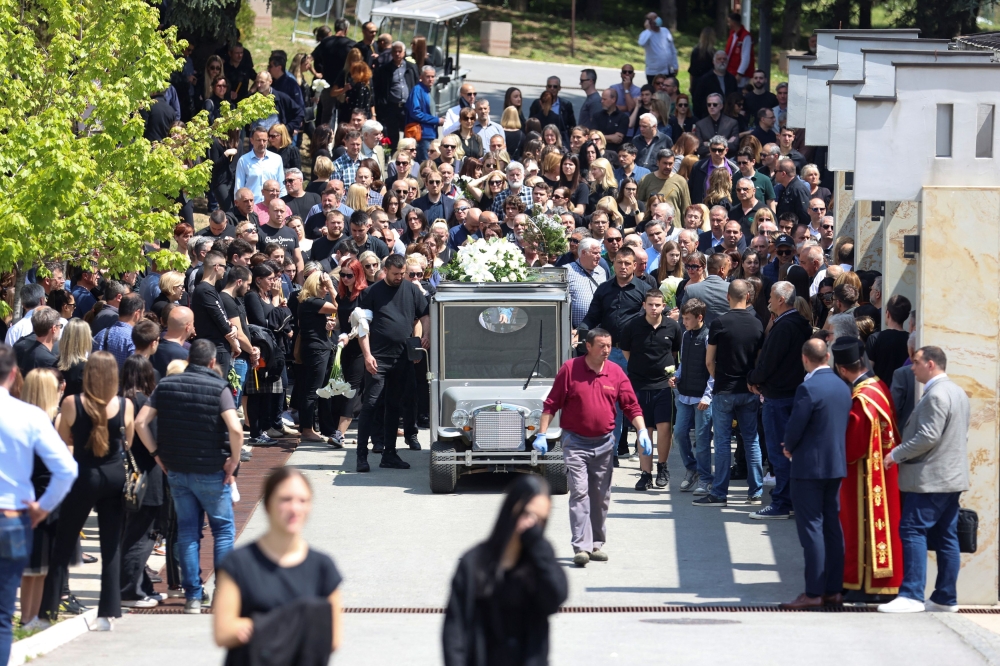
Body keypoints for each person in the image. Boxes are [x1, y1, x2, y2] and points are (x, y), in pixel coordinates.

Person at [134, 339, 244, 614]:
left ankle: (193, 596)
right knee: (223, 531)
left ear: (189, 359)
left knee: (187, 533)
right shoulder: (218, 387)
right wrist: (234, 460)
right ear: (212, 362)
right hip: (212, 470)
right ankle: (223, 593)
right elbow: (235, 429)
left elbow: (140, 422)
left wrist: (156, 454)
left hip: (177, 469)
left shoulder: (166, 385)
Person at [537, 328, 649, 567]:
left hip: (604, 443)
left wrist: (642, 431)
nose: (606, 350)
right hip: (575, 442)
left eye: (609, 345)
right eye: (601, 346)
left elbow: (631, 406)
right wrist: (542, 434)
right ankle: (581, 546)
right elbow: (552, 403)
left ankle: (596, 544)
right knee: (579, 492)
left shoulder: (616, 372)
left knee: (600, 496)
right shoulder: (570, 369)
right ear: (588, 346)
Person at [215, 468, 342, 664]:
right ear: (267, 504)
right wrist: (303, 619)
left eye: (303, 501)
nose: (294, 509)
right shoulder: (238, 564)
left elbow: (333, 639)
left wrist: (256, 625)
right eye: (285, 499)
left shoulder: (323, 567)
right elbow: (223, 632)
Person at [43, 352, 132, 630]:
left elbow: (62, 440)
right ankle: (108, 613)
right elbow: (127, 442)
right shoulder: (125, 404)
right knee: (111, 547)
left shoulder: (72, 403)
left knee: (63, 544)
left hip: (84, 475)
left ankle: (47, 612)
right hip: (115, 476)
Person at [878, 346, 970, 614]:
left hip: (931, 479)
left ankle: (912, 594)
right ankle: (945, 597)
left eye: (916, 362)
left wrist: (896, 454)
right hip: (951, 477)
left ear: (930, 364)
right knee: (946, 536)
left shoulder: (937, 395)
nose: (912, 367)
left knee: (912, 530)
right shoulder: (957, 392)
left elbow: (928, 437)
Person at [0, 348, 77, 659]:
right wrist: (44, 506)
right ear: (14, 374)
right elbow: (67, 469)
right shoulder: (29, 416)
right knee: (3, 614)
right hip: (12, 515)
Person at [443, 475, 567, 665]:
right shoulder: (474, 562)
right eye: (527, 514)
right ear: (511, 509)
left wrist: (539, 547)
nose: (532, 525)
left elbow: (556, 596)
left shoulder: (539, 563)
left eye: (541, 520)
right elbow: (454, 629)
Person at [778, 338, 852, 610]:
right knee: (832, 528)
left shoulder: (808, 388)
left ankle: (813, 592)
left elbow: (796, 425)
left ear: (805, 358)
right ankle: (833, 590)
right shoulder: (843, 386)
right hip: (835, 466)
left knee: (812, 529)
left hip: (809, 467)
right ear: (828, 357)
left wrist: (788, 446)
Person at [831, 336, 904, 599]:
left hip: (865, 476)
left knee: (859, 525)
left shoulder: (862, 399)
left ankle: (863, 584)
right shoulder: (879, 385)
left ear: (842, 369)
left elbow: (852, 448)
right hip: (884, 470)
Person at [355, 254, 430, 472]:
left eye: (402, 273)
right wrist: (367, 355)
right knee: (371, 404)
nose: (399, 277)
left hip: (402, 358)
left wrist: (425, 335)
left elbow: (425, 314)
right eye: (396, 274)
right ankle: (361, 456)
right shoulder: (371, 293)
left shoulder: (412, 290)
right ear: (385, 270)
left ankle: (390, 454)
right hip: (378, 358)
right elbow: (362, 327)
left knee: (394, 405)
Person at [693, 280, 764, 508]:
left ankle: (719, 493)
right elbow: (759, 360)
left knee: (722, 441)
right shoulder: (757, 323)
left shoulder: (719, 323)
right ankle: (756, 491)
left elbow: (709, 360)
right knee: (751, 439)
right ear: (748, 297)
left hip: (725, 389)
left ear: (728, 297)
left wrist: (719, 378)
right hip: (749, 389)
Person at [746, 281, 813, 520]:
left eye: (772, 297)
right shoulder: (798, 324)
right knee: (787, 450)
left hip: (779, 397)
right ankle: (790, 498)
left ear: (781, 300)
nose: (768, 301)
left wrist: (753, 378)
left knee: (779, 451)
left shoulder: (785, 326)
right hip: (790, 393)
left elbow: (769, 361)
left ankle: (782, 503)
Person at [622, 290, 682, 490]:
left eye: (657, 305)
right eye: (650, 304)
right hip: (639, 385)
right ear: (644, 305)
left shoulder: (672, 326)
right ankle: (645, 474)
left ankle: (662, 467)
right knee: (643, 430)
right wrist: (638, 367)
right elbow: (626, 350)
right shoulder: (633, 326)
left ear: (664, 306)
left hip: (663, 385)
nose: (654, 308)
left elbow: (675, 351)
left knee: (664, 428)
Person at [296, 272, 337, 443]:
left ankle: (327, 427)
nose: (326, 290)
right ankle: (307, 429)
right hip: (316, 350)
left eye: (327, 287)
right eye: (324, 286)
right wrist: (333, 288)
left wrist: (325, 324)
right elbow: (338, 307)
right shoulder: (311, 301)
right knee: (312, 390)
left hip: (320, 348)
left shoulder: (310, 303)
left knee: (324, 391)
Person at [866, 295, 912, 384]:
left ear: (888, 313)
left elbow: (868, 372)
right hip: (903, 390)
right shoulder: (911, 340)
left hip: (880, 390)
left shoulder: (874, 338)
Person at [235, 126, 286, 203]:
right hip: (251, 206)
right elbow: (239, 187)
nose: (262, 143)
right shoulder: (243, 160)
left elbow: (282, 186)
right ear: (251, 140)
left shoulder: (277, 159)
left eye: (264, 140)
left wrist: (282, 204)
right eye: (258, 140)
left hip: (272, 206)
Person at [406, 66, 446, 162]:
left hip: (430, 134)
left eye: (433, 76)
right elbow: (415, 112)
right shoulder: (417, 90)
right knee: (425, 163)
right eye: (428, 76)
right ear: (421, 77)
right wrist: (437, 120)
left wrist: (438, 118)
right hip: (422, 135)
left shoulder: (428, 90)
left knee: (430, 162)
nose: (431, 79)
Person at [681, 252, 730, 325]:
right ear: (722, 269)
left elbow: (682, 320)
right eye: (728, 268)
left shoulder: (690, 289)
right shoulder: (732, 289)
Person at [692, 51, 738, 120]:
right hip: (709, 118)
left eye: (724, 59)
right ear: (713, 62)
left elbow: (735, 97)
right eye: (719, 59)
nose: (722, 61)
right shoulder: (705, 79)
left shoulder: (732, 79)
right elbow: (697, 100)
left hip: (728, 118)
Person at [638, 13, 679, 84]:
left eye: (657, 16)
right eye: (654, 18)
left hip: (668, 70)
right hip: (654, 72)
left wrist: (675, 66)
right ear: (649, 22)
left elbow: (672, 49)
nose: (658, 19)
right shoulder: (646, 34)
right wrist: (648, 30)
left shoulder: (665, 31)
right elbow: (642, 43)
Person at [724, 12, 754, 85]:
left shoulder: (745, 36)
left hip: (739, 74)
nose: (728, 24)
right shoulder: (733, 34)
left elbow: (746, 57)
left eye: (729, 22)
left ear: (733, 22)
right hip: (730, 70)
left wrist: (740, 73)